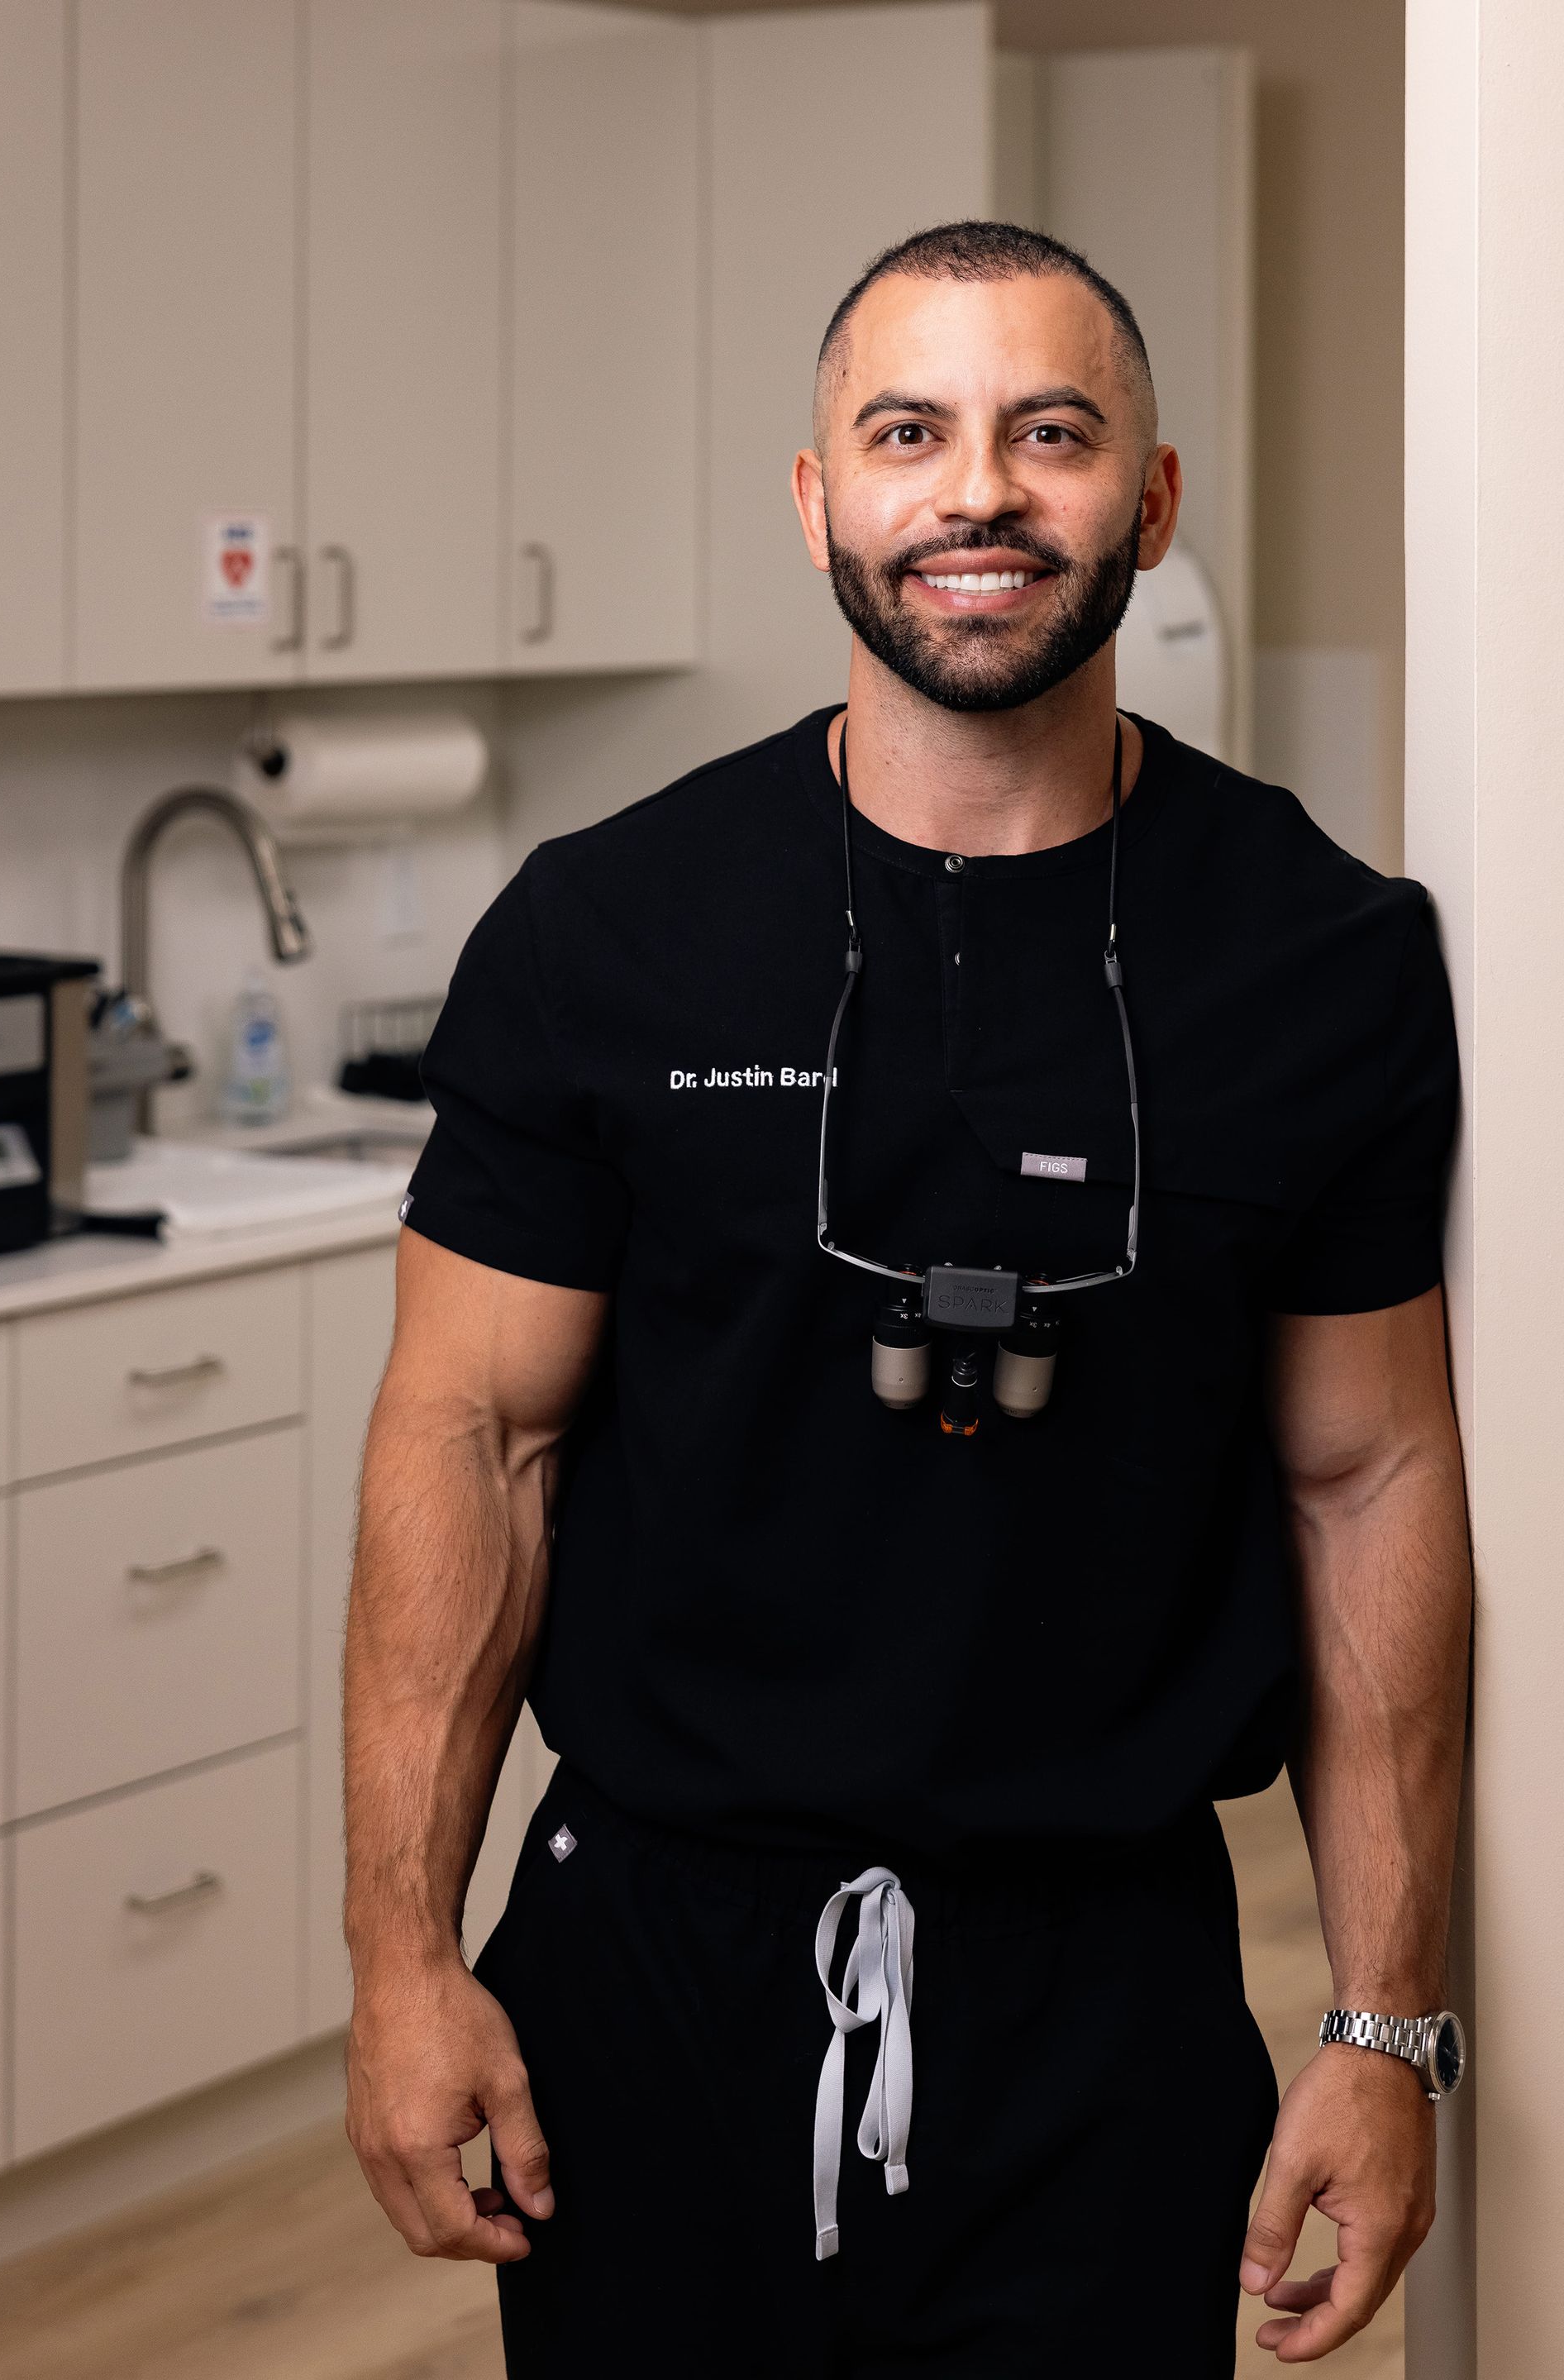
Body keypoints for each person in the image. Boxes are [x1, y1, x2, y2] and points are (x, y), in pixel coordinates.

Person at [341, 222, 1471, 2377]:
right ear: (818, 499)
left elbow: (1371, 1477)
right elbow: (471, 1441)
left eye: (1051, 434)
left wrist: (1385, 2022)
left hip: (1105, 1988)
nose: (978, 493)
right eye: (909, 433)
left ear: (1148, 500)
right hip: (649, 1966)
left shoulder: (1322, 957)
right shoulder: (609, 934)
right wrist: (403, 1953)